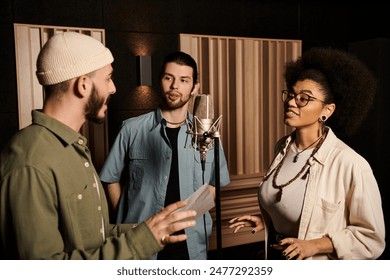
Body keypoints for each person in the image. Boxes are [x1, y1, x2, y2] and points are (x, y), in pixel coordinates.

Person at [0, 32, 197, 260]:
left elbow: (95, 235)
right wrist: (139, 243)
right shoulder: (30, 162)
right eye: (108, 78)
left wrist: (148, 231)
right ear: (83, 85)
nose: (113, 88)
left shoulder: (74, 149)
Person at [229, 47, 386, 260]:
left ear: (327, 111)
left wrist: (314, 246)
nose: (291, 102)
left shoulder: (350, 164)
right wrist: (268, 221)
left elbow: (371, 239)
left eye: (304, 98)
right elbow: (298, 211)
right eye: (291, 95)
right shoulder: (282, 147)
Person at [99, 51, 230, 260]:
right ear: (160, 80)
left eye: (184, 80)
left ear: (195, 87)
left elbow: (215, 182)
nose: (175, 86)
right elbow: (110, 178)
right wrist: (128, 220)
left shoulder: (208, 134)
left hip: (191, 245)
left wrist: (192, 216)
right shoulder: (131, 129)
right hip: (142, 244)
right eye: (169, 78)